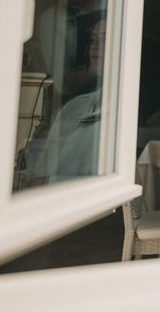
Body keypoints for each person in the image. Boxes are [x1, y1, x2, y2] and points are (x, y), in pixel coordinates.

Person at [22, 17, 106, 186]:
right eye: (93, 39)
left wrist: (46, 182)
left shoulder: (123, 120)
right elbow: (41, 169)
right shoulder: (72, 108)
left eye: (104, 38)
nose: (94, 46)